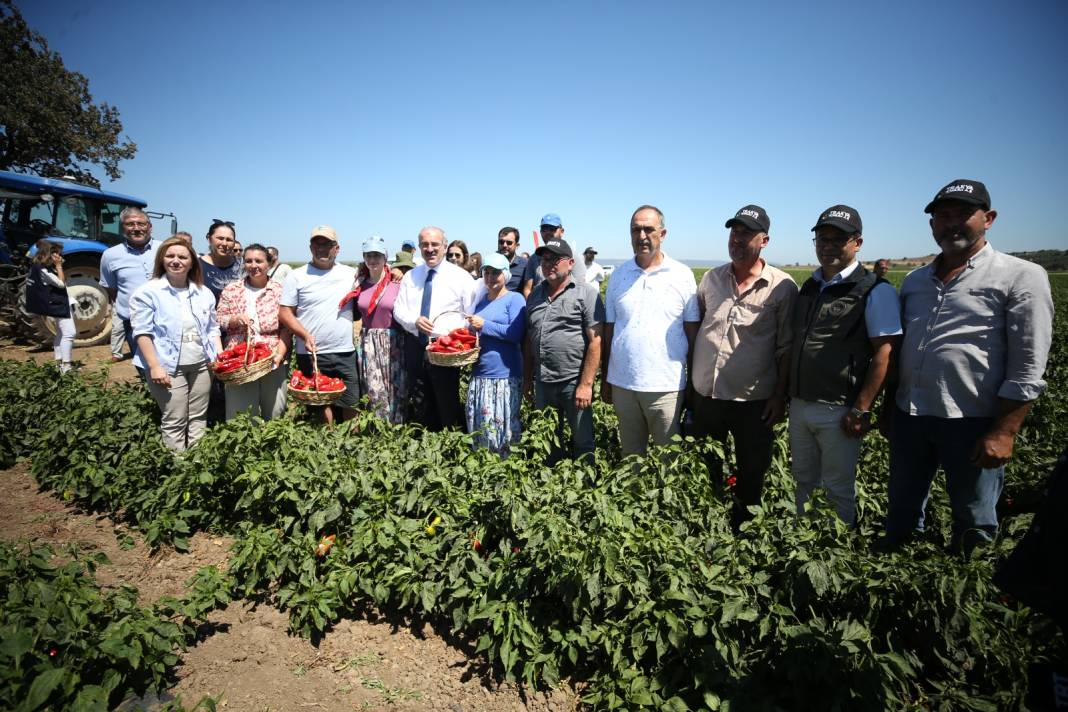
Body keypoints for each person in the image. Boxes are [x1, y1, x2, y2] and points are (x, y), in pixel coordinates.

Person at [882, 180, 1053, 553]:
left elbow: (1028, 364)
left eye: (964, 214)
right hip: (911, 415)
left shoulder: (1020, 276)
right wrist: (888, 408)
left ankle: (962, 598)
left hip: (974, 420)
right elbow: (898, 351)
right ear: (932, 224)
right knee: (903, 512)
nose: (952, 223)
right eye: (943, 216)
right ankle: (903, 588)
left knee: (973, 519)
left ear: (988, 219)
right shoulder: (914, 280)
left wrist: (1004, 431)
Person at [789, 205, 901, 525]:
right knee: (803, 482)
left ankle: (837, 556)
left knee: (838, 487)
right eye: (822, 239)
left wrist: (862, 407)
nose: (827, 246)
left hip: (839, 408)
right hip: (800, 404)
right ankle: (804, 546)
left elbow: (885, 353)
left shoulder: (874, 290)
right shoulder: (810, 286)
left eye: (837, 239)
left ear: (857, 243)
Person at [690, 205, 798, 527]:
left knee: (751, 471)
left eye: (746, 233)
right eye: (734, 232)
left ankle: (742, 533)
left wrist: (779, 397)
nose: (737, 239)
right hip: (707, 396)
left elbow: (786, 347)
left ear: (764, 240)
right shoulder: (712, 279)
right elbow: (698, 327)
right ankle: (706, 525)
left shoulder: (782, 286)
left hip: (753, 403)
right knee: (706, 467)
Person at [602, 205, 699, 456]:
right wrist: (606, 378)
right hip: (624, 385)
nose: (642, 236)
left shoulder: (682, 275)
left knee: (670, 461)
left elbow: (692, 333)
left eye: (649, 229)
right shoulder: (619, 275)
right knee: (632, 459)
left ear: (662, 234)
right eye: (636, 230)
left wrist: (693, 384)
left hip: (665, 386)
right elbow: (609, 331)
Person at [129, 236, 222, 451]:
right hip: (168, 366)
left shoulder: (203, 292)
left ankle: (197, 461)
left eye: (182, 256)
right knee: (174, 418)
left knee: (198, 416)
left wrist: (218, 356)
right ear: (161, 260)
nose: (176, 261)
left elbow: (212, 329)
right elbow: (142, 332)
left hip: (201, 364)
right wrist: (154, 366)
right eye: (170, 256)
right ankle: (178, 470)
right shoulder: (148, 292)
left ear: (192, 262)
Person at [524, 237, 603, 464]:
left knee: (582, 441)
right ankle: (552, 487)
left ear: (570, 263)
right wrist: (529, 380)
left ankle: (584, 491)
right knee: (547, 439)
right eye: (544, 259)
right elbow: (529, 341)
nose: (548, 264)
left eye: (555, 259)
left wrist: (586, 385)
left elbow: (596, 341)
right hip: (543, 382)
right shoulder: (535, 296)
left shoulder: (586, 294)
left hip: (573, 381)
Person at [393, 226, 480, 431]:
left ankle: (450, 444)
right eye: (425, 244)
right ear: (419, 247)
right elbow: (399, 309)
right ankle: (426, 444)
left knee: (447, 401)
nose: (430, 249)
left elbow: (470, 313)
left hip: (445, 349)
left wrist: (454, 338)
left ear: (444, 246)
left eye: (435, 244)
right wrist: (414, 320)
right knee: (421, 400)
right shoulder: (411, 277)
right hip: (415, 346)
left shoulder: (461, 278)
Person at [278, 226, 361, 426]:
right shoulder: (296, 276)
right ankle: (327, 448)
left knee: (351, 403)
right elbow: (284, 312)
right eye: (317, 244)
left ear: (337, 248)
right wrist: (304, 334)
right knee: (320, 404)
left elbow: (378, 275)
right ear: (310, 247)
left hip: (344, 350)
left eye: (327, 244)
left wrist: (396, 271)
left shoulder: (352, 274)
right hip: (311, 353)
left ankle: (354, 446)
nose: (322, 249)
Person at [215, 244, 291, 420]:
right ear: (243, 263)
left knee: (275, 409)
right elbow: (219, 319)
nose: (253, 265)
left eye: (259, 260)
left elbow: (287, 328)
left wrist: (279, 354)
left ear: (268, 264)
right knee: (240, 410)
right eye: (248, 261)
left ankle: (272, 444)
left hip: (272, 355)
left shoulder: (279, 290)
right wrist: (234, 319)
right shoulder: (232, 290)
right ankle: (243, 444)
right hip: (239, 356)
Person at [465, 252, 526, 456]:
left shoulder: (514, 299)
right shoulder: (481, 300)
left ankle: (505, 475)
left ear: (506, 275)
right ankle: (483, 476)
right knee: (480, 430)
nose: (490, 277)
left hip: (503, 377)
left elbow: (515, 333)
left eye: (496, 273)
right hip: (480, 374)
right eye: (487, 272)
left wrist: (484, 325)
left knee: (502, 432)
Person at [344, 236, 408, 424]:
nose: (373, 260)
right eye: (369, 255)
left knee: (396, 388)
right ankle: (378, 431)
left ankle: (397, 431)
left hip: (394, 342)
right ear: (364, 257)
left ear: (385, 257)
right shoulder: (358, 283)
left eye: (377, 255)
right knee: (373, 390)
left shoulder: (397, 283)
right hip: (369, 342)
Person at [99, 207, 160, 361]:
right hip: (134, 323)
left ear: (150, 227)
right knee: (144, 368)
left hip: (164, 320)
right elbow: (111, 290)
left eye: (141, 224)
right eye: (130, 224)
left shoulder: (164, 249)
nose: (136, 228)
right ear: (122, 228)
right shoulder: (110, 255)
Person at [25, 240, 76, 373]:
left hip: (56, 303)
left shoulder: (37, 266)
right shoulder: (43, 270)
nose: (60, 256)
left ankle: (59, 364)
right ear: (50, 254)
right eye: (58, 254)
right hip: (58, 304)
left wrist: (57, 264)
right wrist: (59, 266)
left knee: (60, 332)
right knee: (70, 333)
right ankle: (66, 366)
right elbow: (60, 284)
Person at [521, 213, 586, 297]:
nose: (547, 232)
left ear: (562, 231)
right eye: (544, 229)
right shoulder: (534, 258)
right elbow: (527, 289)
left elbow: (580, 287)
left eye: (552, 229)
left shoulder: (574, 256)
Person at [199, 220, 243, 301]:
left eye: (229, 240)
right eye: (220, 238)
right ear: (209, 239)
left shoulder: (242, 266)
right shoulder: (196, 266)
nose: (224, 244)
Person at [496, 227, 527, 291]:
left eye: (509, 243)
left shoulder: (525, 265)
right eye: (501, 242)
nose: (504, 245)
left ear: (517, 245)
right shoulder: (489, 263)